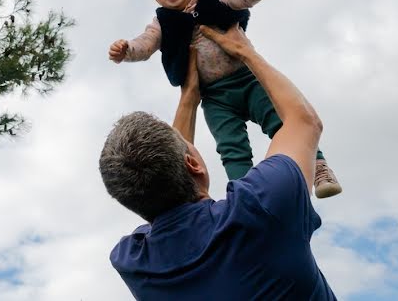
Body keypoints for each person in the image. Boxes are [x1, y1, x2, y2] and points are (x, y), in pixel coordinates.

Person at [99, 24, 338, 300]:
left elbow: (165, 192)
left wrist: (189, 97)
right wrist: (246, 52)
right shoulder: (264, 204)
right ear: (194, 165)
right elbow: (304, 122)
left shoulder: (133, 262)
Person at [108, 0, 341, 197]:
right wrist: (127, 50)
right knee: (231, 147)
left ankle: (318, 167)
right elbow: (146, 43)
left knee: (281, 121)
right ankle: (245, 193)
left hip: (249, 80)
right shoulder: (162, 23)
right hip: (215, 98)